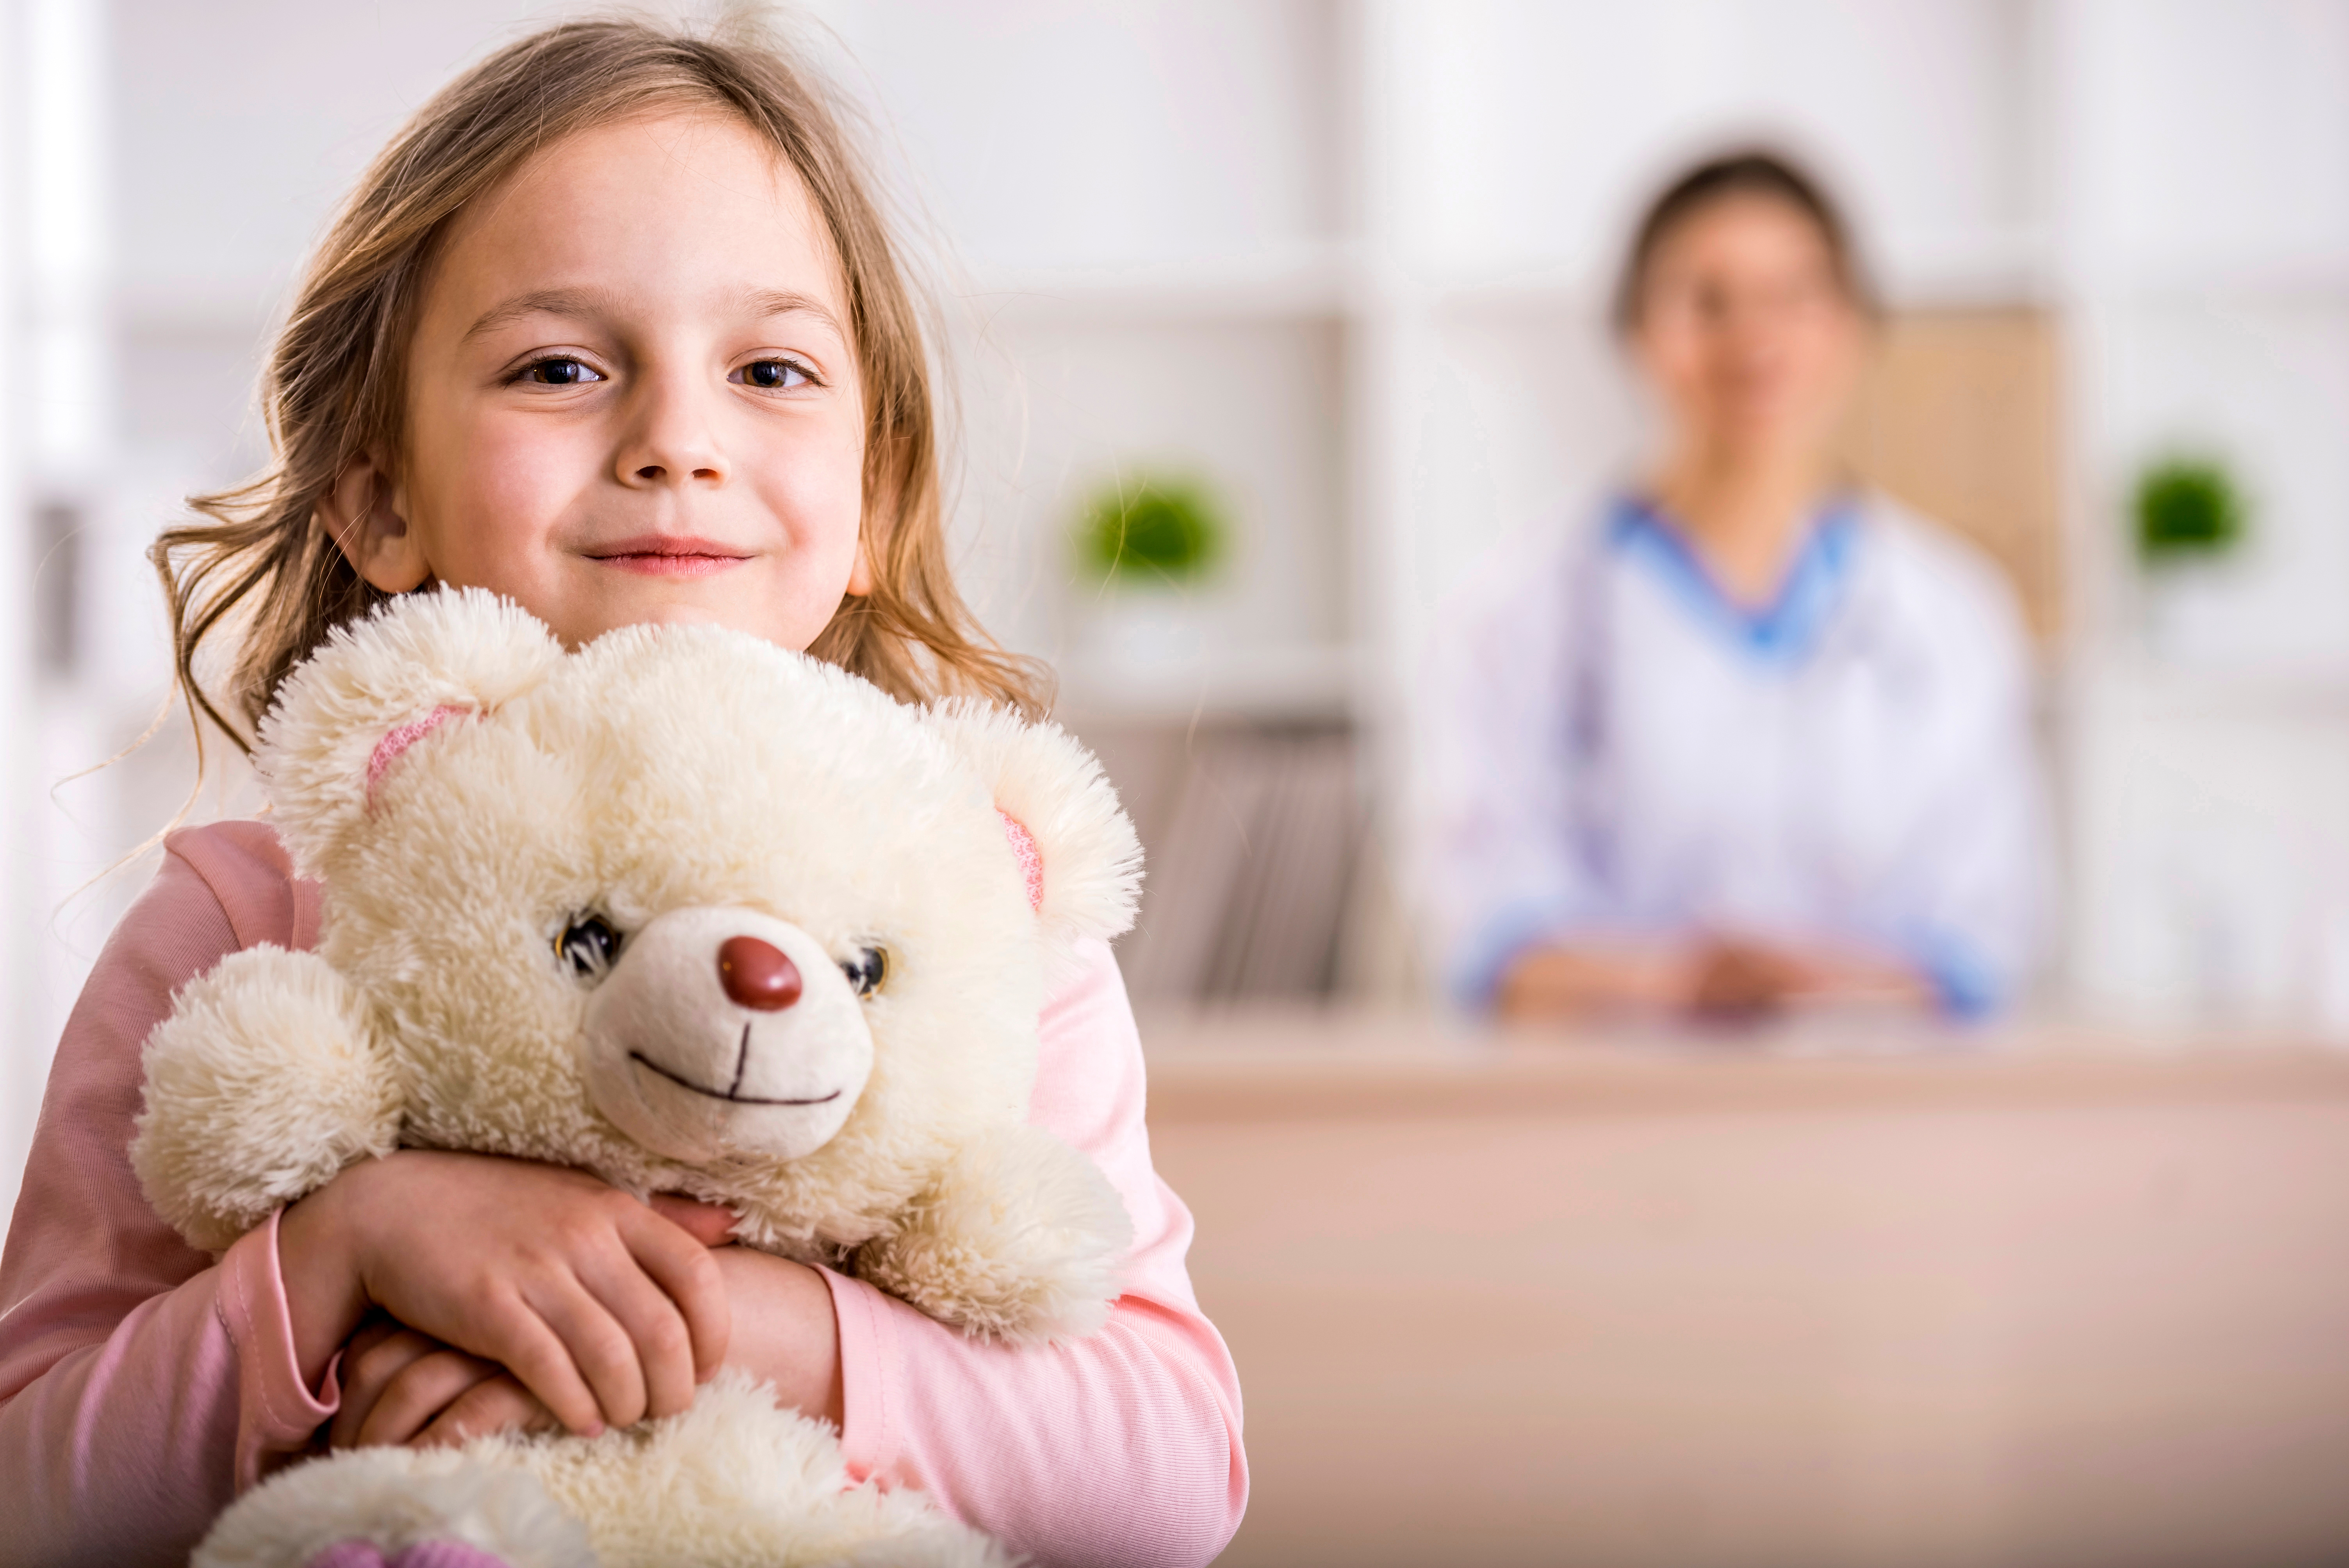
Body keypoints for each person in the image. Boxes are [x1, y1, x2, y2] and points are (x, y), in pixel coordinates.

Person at [0, 21, 1244, 1564]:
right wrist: (349, 1254)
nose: (677, 441)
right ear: (383, 498)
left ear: (872, 499)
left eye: (771, 368)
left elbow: (1171, 1477)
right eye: (561, 366)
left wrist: (720, 1317)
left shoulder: (972, 915)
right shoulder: (243, 919)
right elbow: (33, 1495)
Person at [1425, 151, 2044, 1026]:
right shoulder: (1517, 609)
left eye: (1795, 296)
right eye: (1704, 301)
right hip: (1603, 1120)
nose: (1752, 340)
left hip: (1877, 1111)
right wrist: (1676, 985)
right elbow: (1484, 932)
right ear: (1633, 332)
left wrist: (1809, 987)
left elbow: (1985, 937)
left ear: (1856, 328)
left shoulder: (1949, 612)